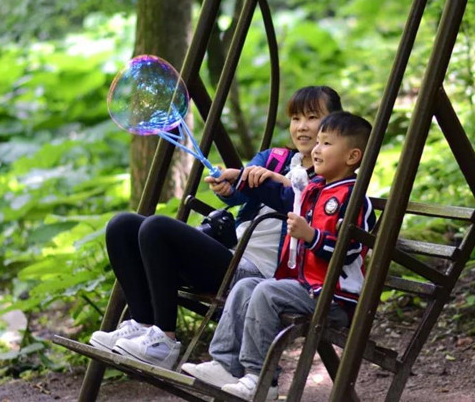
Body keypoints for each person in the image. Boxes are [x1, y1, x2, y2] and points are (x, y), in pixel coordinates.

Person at [88, 86, 342, 370]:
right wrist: (228, 185)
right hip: (229, 254)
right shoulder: (275, 157)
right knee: (122, 225)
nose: (302, 127)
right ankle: (142, 323)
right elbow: (239, 192)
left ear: (333, 123)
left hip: (258, 275)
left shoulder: (331, 177)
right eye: (296, 118)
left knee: (157, 227)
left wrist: (270, 180)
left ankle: (166, 340)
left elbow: (303, 201)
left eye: (312, 117)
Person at [182, 111, 376, 401]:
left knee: (265, 291)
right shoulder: (313, 190)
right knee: (246, 286)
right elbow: (279, 188)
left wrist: (311, 236)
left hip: (331, 296)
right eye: (318, 142)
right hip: (302, 286)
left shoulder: (353, 197)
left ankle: (261, 379)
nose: (316, 149)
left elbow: (349, 250)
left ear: (352, 156)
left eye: (326, 144)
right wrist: (240, 179)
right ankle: (225, 363)